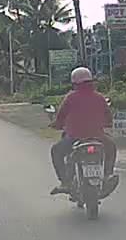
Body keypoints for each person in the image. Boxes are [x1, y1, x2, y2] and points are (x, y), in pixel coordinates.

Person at [49, 66, 116, 195]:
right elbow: (108, 117)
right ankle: (108, 174)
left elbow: (61, 116)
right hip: (98, 136)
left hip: (75, 137)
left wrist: (56, 124)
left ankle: (65, 182)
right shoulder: (99, 97)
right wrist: (107, 124)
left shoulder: (71, 97)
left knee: (56, 151)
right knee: (111, 148)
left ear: (74, 83)